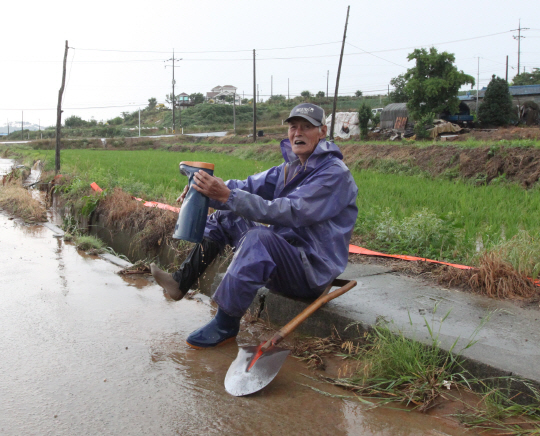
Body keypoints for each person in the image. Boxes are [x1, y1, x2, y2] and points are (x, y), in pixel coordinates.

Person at [151, 103, 358, 349]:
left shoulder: (334, 175)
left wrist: (226, 196)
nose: (298, 133)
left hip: (309, 270)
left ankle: (225, 323)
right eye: (293, 127)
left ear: (322, 131)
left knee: (258, 238)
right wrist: (208, 190)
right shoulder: (290, 169)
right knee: (225, 217)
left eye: (307, 127)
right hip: (286, 257)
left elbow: (290, 211)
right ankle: (181, 281)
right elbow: (247, 185)